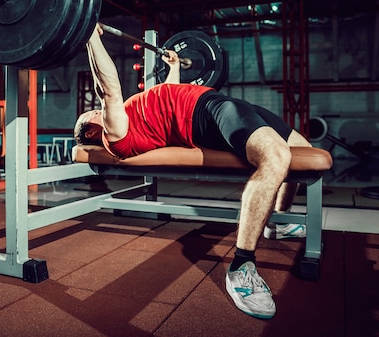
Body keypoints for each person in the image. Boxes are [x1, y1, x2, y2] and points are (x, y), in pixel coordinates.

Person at [74, 24, 312, 319]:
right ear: (94, 126)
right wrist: (89, 37)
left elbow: (166, 97)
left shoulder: (135, 116)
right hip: (205, 114)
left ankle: (276, 222)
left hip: (216, 101)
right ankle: (241, 265)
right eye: (93, 113)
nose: (99, 110)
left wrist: (172, 66)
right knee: (275, 156)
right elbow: (107, 88)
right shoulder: (115, 133)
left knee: (305, 151)